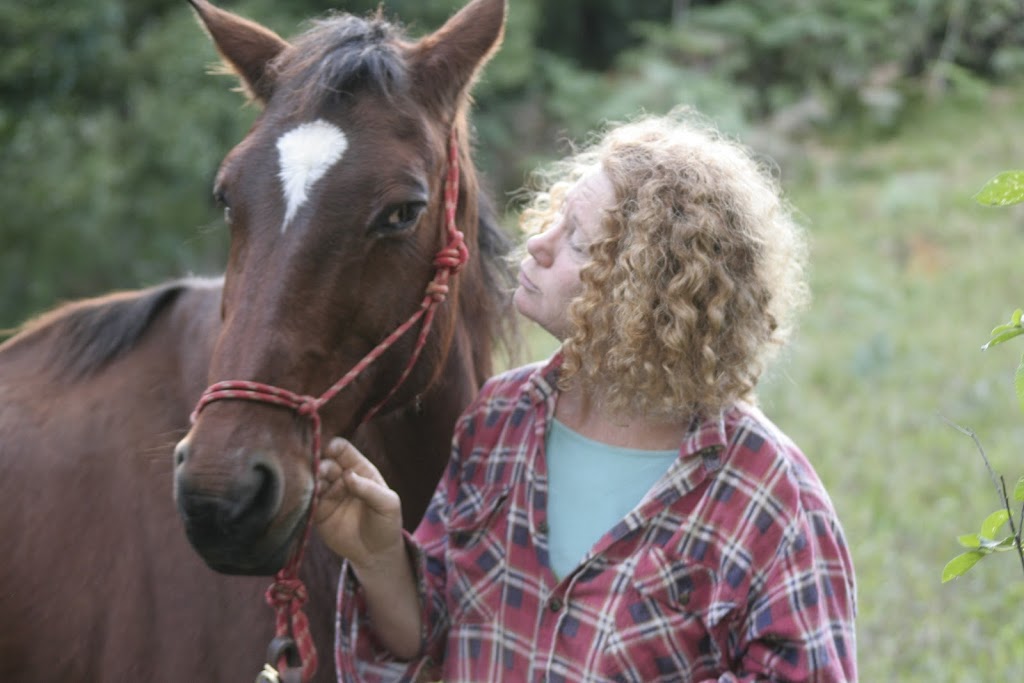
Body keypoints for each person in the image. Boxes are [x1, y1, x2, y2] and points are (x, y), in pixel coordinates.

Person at [314, 109, 857, 682]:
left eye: (576, 240)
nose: (538, 245)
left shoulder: (771, 501)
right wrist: (378, 558)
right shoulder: (498, 421)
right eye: (556, 218)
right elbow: (434, 644)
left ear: (651, 294)